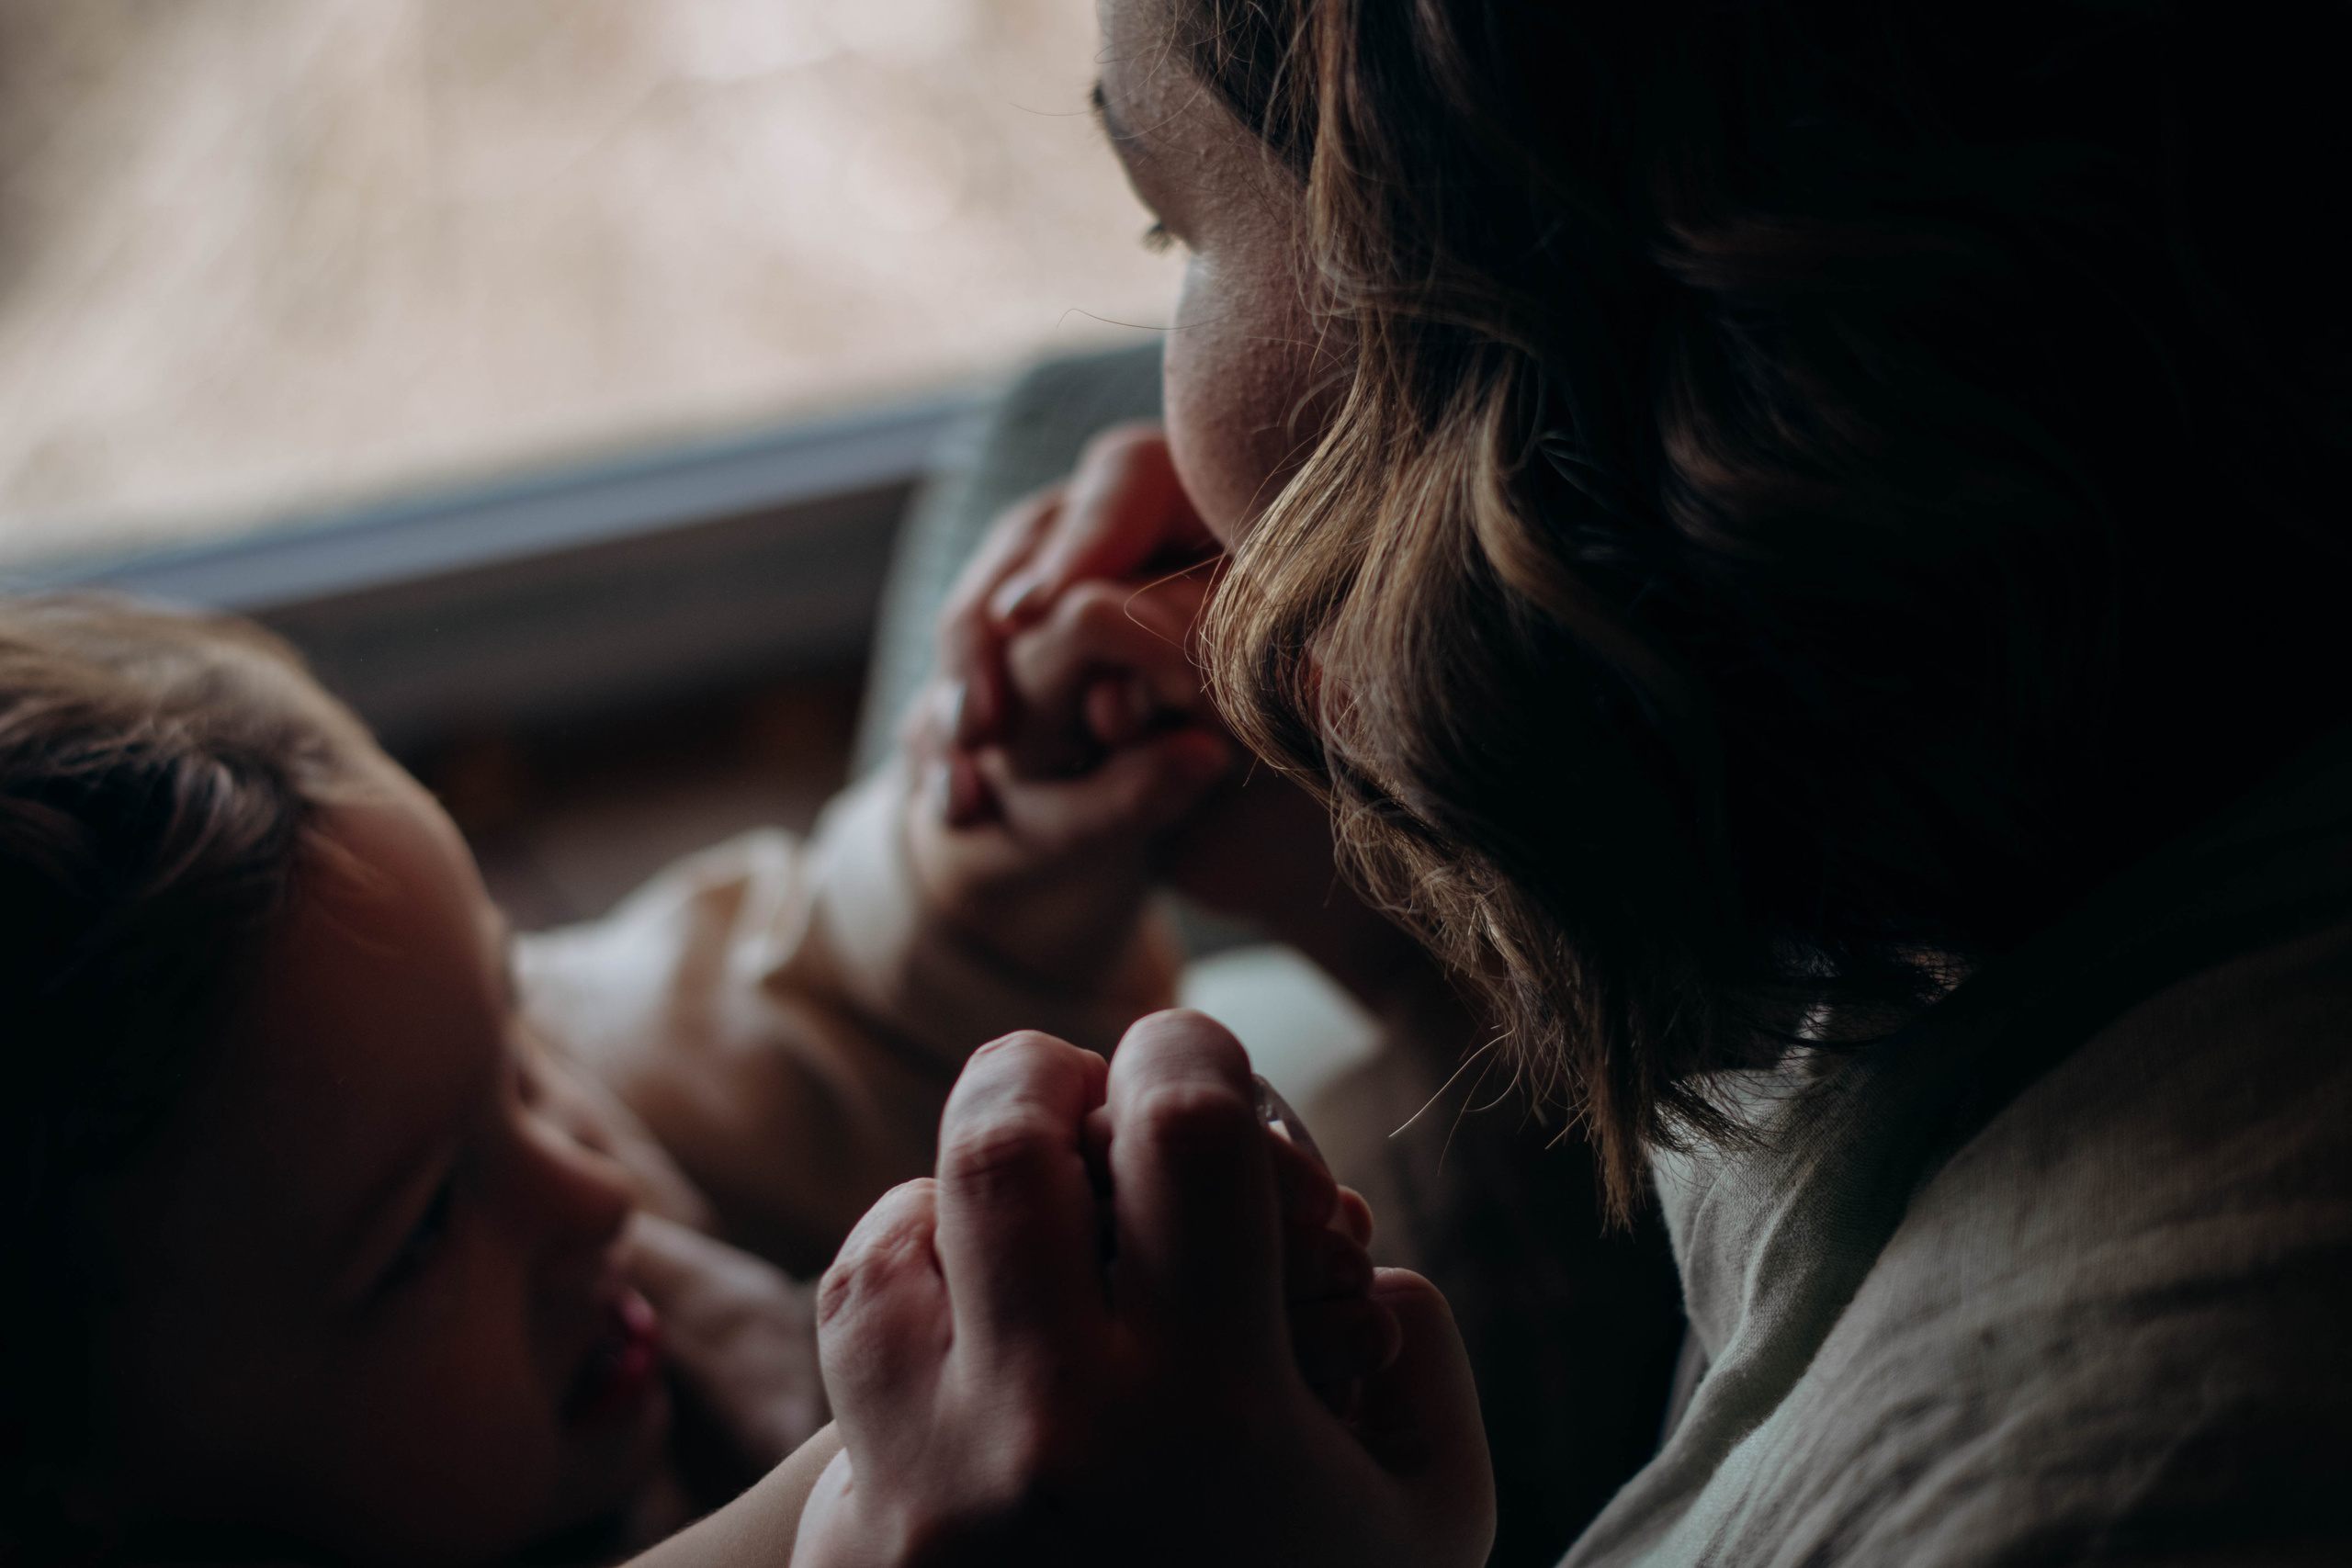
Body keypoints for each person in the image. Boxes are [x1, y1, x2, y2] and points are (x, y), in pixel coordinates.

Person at [777, 0, 2352, 1562]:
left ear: (1539, 315)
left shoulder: (2116, 1488)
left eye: (1170, 229)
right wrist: (1443, 879)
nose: (1153, 462)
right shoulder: (2013, 787)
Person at [0, 593, 1386, 1563]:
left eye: (518, 1059)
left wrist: (982, 885)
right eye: (417, 1233)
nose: (592, 1187)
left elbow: (772, 1014)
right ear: (75, 1495)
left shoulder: (448, 1107)